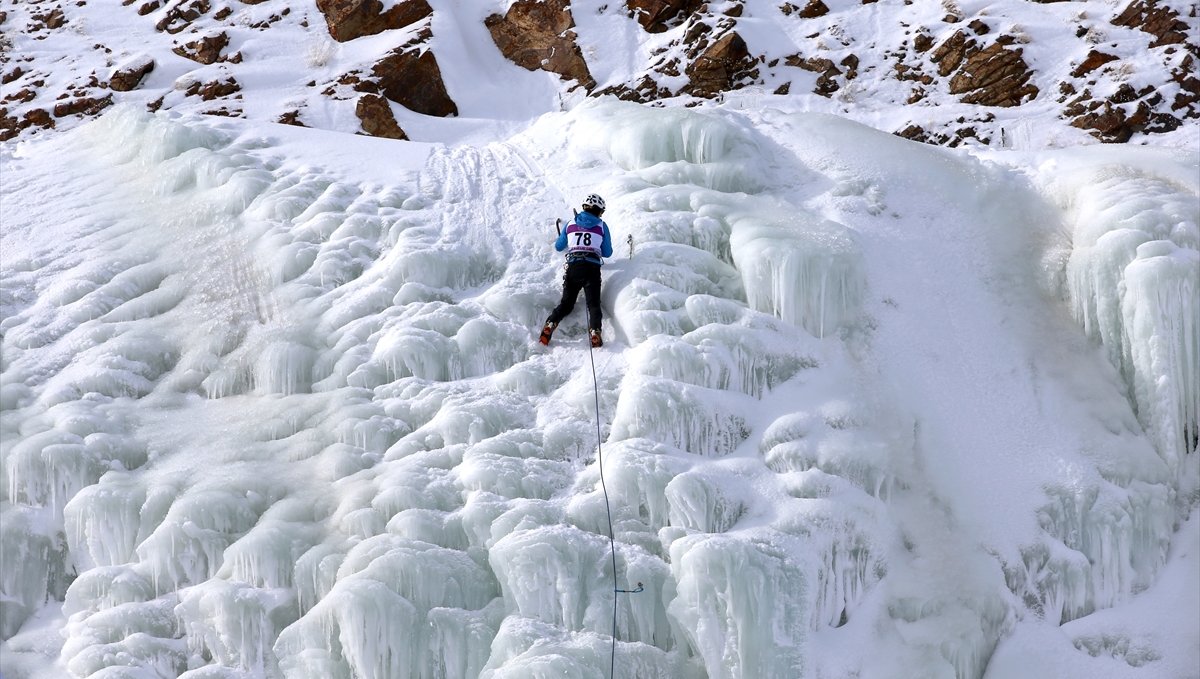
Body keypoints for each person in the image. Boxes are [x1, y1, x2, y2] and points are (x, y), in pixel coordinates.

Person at [540, 193, 614, 348]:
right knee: (593, 305)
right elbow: (607, 252)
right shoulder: (602, 226)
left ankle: (551, 323)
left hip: (574, 267)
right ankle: (595, 331)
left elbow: (559, 246)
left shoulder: (570, 223)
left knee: (566, 304)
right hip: (592, 268)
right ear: (599, 210)